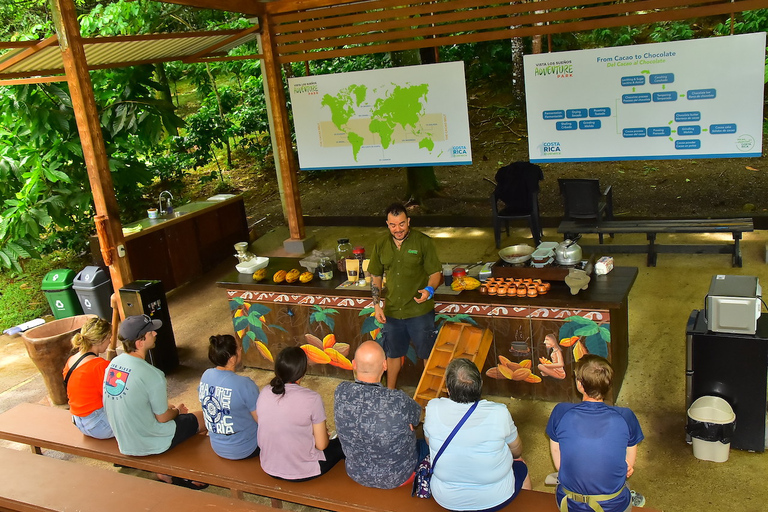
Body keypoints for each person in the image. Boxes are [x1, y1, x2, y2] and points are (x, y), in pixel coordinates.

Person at [103, 314, 207, 489]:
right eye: (150, 332)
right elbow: (163, 418)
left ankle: (167, 470)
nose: (155, 334)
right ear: (140, 342)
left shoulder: (113, 364)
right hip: (148, 441)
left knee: (178, 418)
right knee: (203, 419)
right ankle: (186, 474)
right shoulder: (153, 375)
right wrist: (177, 412)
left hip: (125, 439)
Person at [424, 358, 531, 511]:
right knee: (521, 464)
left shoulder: (433, 408)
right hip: (496, 497)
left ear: (447, 388)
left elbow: (429, 442)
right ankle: (527, 506)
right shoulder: (499, 412)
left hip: (446, 498)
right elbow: (517, 451)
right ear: (480, 384)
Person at [546, 355, 645, 512]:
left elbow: (557, 454)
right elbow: (629, 460)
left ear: (579, 384)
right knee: (623, 484)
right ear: (608, 385)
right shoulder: (626, 416)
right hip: (614, 506)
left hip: (569, 504)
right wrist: (627, 466)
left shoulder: (561, 412)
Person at [369, 202, 442, 389]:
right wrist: (377, 305)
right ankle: (390, 393)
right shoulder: (381, 245)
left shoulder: (423, 242)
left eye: (401, 224)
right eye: (393, 225)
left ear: (408, 221)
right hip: (392, 311)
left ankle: (431, 398)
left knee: (427, 355)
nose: (398, 229)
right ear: (387, 224)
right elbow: (375, 276)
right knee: (392, 354)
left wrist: (429, 290)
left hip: (419, 310)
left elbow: (436, 274)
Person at [334, 340, 424, 489]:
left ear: (354, 364)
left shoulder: (341, 391)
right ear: (385, 365)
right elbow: (419, 417)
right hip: (398, 477)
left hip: (356, 473)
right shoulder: (398, 400)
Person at [256, 346, 344, 481]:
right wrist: (318, 436)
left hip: (269, 466)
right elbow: (321, 445)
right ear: (302, 371)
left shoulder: (265, 392)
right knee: (341, 444)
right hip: (302, 471)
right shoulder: (312, 398)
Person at [198, 334, 259, 460]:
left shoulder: (206, 376)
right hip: (247, 448)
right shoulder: (244, 384)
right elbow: (262, 421)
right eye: (238, 348)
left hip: (217, 446)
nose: (241, 350)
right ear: (232, 359)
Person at [62, 317, 114, 439]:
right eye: (109, 338)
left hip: (79, 422)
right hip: (100, 426)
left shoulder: (71, 360)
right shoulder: (100, 365)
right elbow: (113, 397)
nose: (110, 342)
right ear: (102, 339)